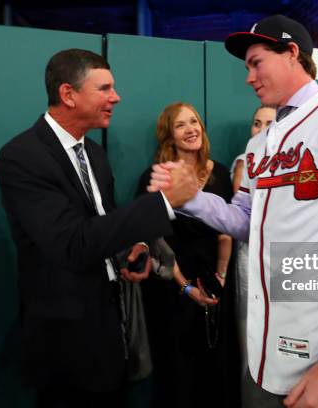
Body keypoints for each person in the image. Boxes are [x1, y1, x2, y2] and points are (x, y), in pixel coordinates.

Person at [148, 15, 318, 408]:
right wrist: (191, 198)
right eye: (246, 66)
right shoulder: (260, 145)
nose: (249, 76)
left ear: (291, 53)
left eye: (256, 62)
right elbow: (243, 222)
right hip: (264, 340)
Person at [0, 49, 196, 407]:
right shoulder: (21, 157)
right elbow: (72, 242)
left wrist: (134, 249)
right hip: (66, 345)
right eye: (104, 88)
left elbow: (102, 224)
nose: (115, 97)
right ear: (68, 94)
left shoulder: (96, 156)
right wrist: (163, 203)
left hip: (112, 336)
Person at [135, 102, 240, 408]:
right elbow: (154, 240)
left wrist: (219, 279)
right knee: (179, 369)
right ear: (169, 135)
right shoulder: (157, 177)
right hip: (173, 284)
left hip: (217, 279)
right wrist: (186, 287)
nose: (191, 129)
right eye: (180, 125)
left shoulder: (219, 171)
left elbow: (229, 230)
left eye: (194, 122)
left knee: (218, 362)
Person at [230, 105, 276, 379]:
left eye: (268, 123)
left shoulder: (293, 158)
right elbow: (245, 214)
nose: (260, 130)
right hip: (252, 253)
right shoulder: (244, 161)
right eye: (256, 123)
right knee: (252, 327)